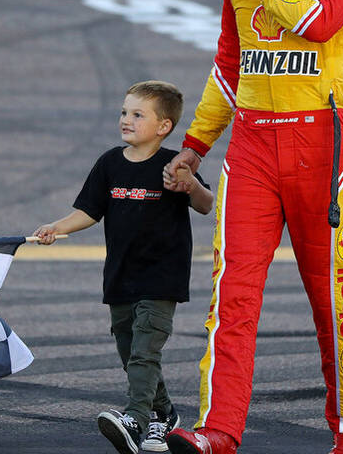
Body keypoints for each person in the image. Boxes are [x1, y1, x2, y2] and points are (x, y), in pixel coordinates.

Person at [161, 0, 343, 454]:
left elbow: (321, 23)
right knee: (232, 292)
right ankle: (218, 430)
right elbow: (229, 69)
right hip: (251, 148)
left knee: (333, 293)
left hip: (318, 148)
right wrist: (194, 148)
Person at [34, 80, 213, 454]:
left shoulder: (173, 165)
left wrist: (191, 185)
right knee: (132, 354)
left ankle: (136, 419)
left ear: (163, 126)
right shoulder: (110, 163)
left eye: (137, 114)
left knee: (146, 352)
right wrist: (56, 227)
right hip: (120, 277)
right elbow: (88, 211)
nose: (126, 120)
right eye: (123, 112)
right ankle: (165, 416)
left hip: (161, 279)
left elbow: (206, 203)